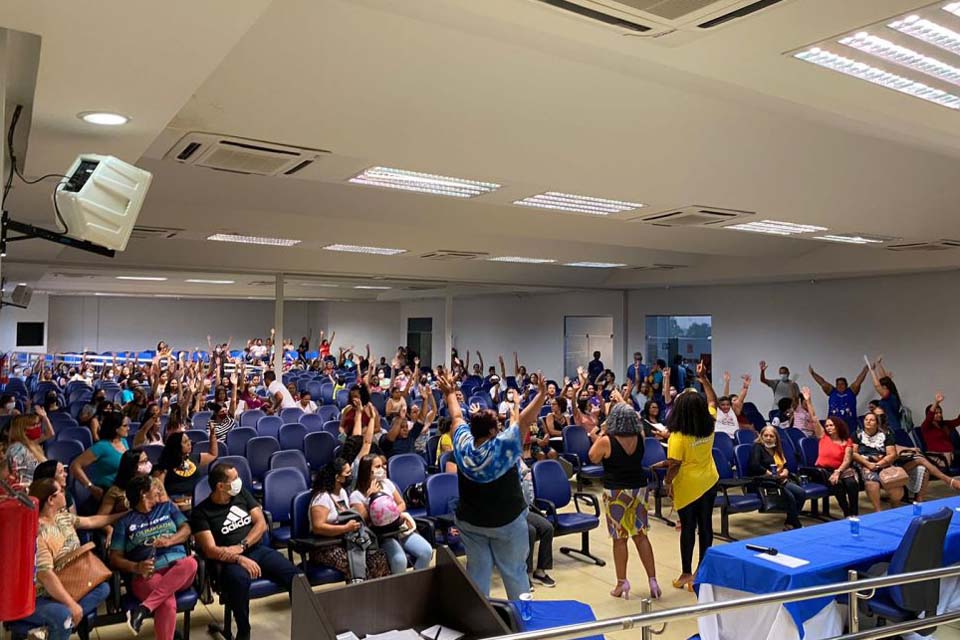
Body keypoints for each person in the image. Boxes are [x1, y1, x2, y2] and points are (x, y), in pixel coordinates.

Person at [442, 366, 547, 600]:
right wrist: (541, 395)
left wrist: (450, 392)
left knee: (478, 573)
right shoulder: (503, 447)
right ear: (493, 430)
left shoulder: (462, 445)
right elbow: (523, 421)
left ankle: (481, 623)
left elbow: (457, 416)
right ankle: (520, 624)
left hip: (471, 523)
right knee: (514, 572)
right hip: (506, 522)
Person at [191, 463, 301, 640]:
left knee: (296, 577)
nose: (239, 481)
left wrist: (242, 546)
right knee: (239, 581)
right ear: (220, 486)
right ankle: (244, 632)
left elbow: (261, 524)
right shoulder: (201, 513)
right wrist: (239, 559)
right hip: (227, 562)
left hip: (256, 549)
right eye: (234, 479)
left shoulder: (241, 494)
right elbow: (210, 550)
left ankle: (305, 623)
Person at [23, 478, 123, 640]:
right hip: (44, 593)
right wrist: (71, 604)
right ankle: (64, 620)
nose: (65, 492)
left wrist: (123, 515)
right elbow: (45, 575)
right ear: (50, 500)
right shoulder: (39, 532)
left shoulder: (63, 517)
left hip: (72, 581)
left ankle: (51, 628)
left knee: (103, 588)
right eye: (60, 492)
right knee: (63, 614)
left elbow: (92, 521)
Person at [588, 398, 659, 600]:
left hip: (616, 492)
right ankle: (652, 580)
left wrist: (602, 431)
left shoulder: (606, 440)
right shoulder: (640, 436)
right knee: (641, 535)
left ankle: (622, 583)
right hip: (639, 489)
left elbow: (593, 457)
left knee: (620, 539)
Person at [110, 475, 197, 639]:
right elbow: (115, 558)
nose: (159, 490)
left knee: (190, 563)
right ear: (144, 494)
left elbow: (186, 529)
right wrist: (136, 567)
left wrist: (170, 540)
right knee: (167, 602)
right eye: (154, 488)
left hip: (178, 569)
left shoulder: (167, 508)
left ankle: (143, 609)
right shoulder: (125, 522)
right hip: (148, 574)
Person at [664, 362, 719, 592]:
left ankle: (687, 574)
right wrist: (704, 379)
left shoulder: (677, 436)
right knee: (705, 526)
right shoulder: (710, 424)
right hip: (709, 480)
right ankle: (701, 572)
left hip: (688, 486)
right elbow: (713, 401)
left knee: (688, 528)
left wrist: (667, 483)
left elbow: (674, 465)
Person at [350, 454, 434, 574]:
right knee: (399, 560)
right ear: (368, 470)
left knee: (426, 551)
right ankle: (399, 591)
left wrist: (392, 513)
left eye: (383, 465)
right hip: (381, 535)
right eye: (378, 466)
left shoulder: (387, 483)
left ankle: (415, 585)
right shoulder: (356, 496)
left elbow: (401, 504)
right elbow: (365, 520)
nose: (383, 468)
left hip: (399, 529)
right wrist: (371, 497)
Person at [309, 457, 390, 580]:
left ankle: (379, 594)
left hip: (345, 541)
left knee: (378, 557)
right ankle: (360, 595)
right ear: (337, 478)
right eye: (347, 473)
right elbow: (318, 527)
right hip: (324, 546)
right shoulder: (322, 497)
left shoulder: (342, 492)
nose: (351, 476)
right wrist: (345, 528)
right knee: (355, 565)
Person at [804, 388, 860, 517]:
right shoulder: (823, 436)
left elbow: (847, 460)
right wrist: (808, 401)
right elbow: (814, 418)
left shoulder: (847, 441)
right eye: (827, 425)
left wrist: (838, 471)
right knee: (837, 484)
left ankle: (854, 513)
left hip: (841, 469)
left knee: (852, 484)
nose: (828, 428)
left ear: (838, 426)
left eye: (831, 425)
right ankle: (847, 513)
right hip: (823, 471)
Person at [747, 426, 805, 529]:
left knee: (801, 493)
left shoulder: (777, 448)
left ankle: (789, 521)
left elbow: (785, 464)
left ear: (776, 438)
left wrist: (786, 471)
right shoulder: (757, 447)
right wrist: (769, 473)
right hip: (764, 481)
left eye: (771, 436)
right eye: (766, 435)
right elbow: (754, 465)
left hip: (779, 480)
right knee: (790, 496)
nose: (768, 438)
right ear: (761, 436)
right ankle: (796, 525)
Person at [70, 412, 131, 501]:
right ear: (116, 428)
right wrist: (90, 487)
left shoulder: (124, 442)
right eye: (125, 426)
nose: (128, 428)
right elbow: (75, 465)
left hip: (123, 490)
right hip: (107, 493)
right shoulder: (101, 446)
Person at [155, 427, 218, 510]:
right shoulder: (165, 466)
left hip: (197, 497)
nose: (189, 443)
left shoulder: (193, 458)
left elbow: (213, 455)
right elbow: (160, 491)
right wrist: (172, 505)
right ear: (176, 446)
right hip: (177, 502)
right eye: (185, 442)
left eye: (189, 440)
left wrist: (212, 436)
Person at [852, 413, 902, 512]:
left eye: (872, 420)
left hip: (884, 462)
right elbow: (853, 453)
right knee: (872, 482)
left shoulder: (886, 435)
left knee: (895, 484)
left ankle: (896, 509)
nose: (868, 421)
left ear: (877, 423)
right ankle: (878, 511)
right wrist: (869, 464)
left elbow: (892, 454)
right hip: (864, 463)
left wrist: (879, 464)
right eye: (866, 419)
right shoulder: (857, 434)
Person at [517, 458, 556, 588]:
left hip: (523, 508)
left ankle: (540, 571)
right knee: (530, 531)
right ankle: (525, 574)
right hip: (506, 513)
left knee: (547, 527)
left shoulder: (518, 461)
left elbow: (527, 486)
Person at [6, 410, 54, 486]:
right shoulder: (17, 449)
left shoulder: (32, 443)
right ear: (23, 430)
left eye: (38, 424)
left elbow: (50, 433)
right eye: (34, 425)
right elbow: (17, 477)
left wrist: (45, 417)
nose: (38, 427)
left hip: (40, 485)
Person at [920, 392, 960, 467]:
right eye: (936, 413)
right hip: (938, 456)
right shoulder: (926, 426)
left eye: (940, 412)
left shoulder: (944, 424)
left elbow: (958, 421)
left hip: (951, 454)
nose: (939, 415)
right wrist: (936, 402)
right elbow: (929, 417)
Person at [868, 358, 904, 431]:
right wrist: (879, 364)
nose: (879, 389)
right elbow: (885, 379)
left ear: (885, 387)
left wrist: (872, 371)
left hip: (892, 428)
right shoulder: (892, 395)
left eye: (882, 387)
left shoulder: (889, 396)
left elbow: (877, 386)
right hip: (891, 427)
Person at [715, 373, 751, 437]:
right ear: (719, 405)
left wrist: (745, 387)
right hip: (720, 437)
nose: (726, 406)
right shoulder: (717, 411)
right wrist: (727, 382)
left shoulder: (732, 411)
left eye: (727, 405)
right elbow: (725, 396)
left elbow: (741, 399)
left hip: (735, 437)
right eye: (723, 405)